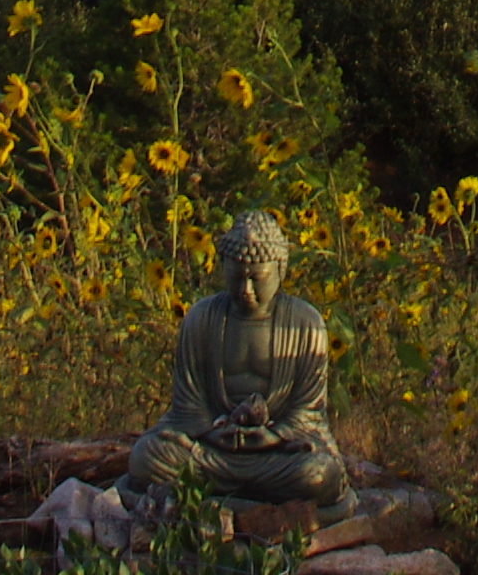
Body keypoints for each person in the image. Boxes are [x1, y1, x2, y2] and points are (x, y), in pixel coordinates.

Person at [118, 209, 348, 507]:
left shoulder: (305, 323)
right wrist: (214, 432)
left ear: (281, 270)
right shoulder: (201, 318)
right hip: (213, 449)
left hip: (274, 452)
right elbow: (187, 406)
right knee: (145, 458)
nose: (246, 290)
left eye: (257, 278)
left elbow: (309, 412)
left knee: (319, 474)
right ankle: (245, 501)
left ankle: (209, 500)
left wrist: (273, 436)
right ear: (223, 269)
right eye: (237, 277)